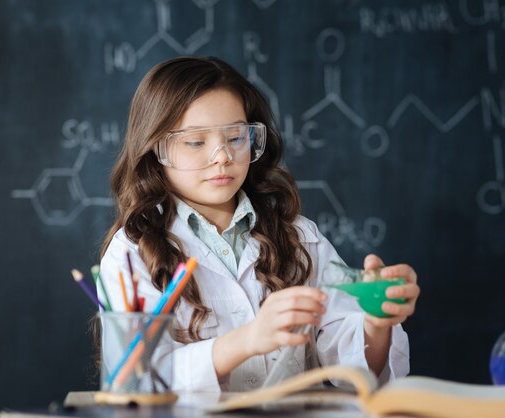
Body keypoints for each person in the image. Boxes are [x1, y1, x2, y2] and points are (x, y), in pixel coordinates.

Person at [99, 56, 420, 392]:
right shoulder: (131, 255)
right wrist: (246, 341)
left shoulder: (298, 237)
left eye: (236, 137)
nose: (222, 156)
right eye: (196, 142)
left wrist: (376, 323)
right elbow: (136, 381)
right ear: (156, 149)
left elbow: (354, 373)